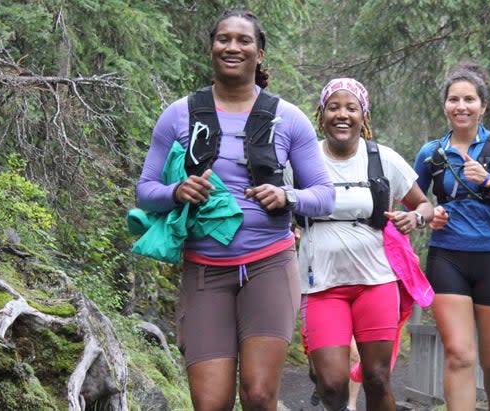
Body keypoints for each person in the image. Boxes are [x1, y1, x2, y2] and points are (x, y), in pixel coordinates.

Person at [135, 9, 335, 410]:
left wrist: (288, 197)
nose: (232, 47)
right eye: (223, 39)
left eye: (244, 40)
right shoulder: (179, 115)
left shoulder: (288, 118)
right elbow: (146, 191)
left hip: (270, 265)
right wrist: (177, 191)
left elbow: (324, 195)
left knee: (260, 396)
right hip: (205, 271)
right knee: (211, 402)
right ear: (211, 48)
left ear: (259, 54)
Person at [296, 77, 434, 411]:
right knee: (330, 383)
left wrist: (414, 219)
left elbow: (424, 205)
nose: (342, 115)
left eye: (351, 108)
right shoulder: (302, 159)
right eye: (333, 107)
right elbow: (277, 202)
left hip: (376, 281)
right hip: (322, 285)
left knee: (376, 377)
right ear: (321, 114)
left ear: (364, 115)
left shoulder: (383, 158)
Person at [413, 61, 490, 411]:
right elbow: (413, 203)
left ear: (483, 106)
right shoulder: (430, 154)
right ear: (445, 105)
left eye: (468, 100)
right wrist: (428, 216)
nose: (460, 106)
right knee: (460, 354)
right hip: (448, 257)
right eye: (453, 100)